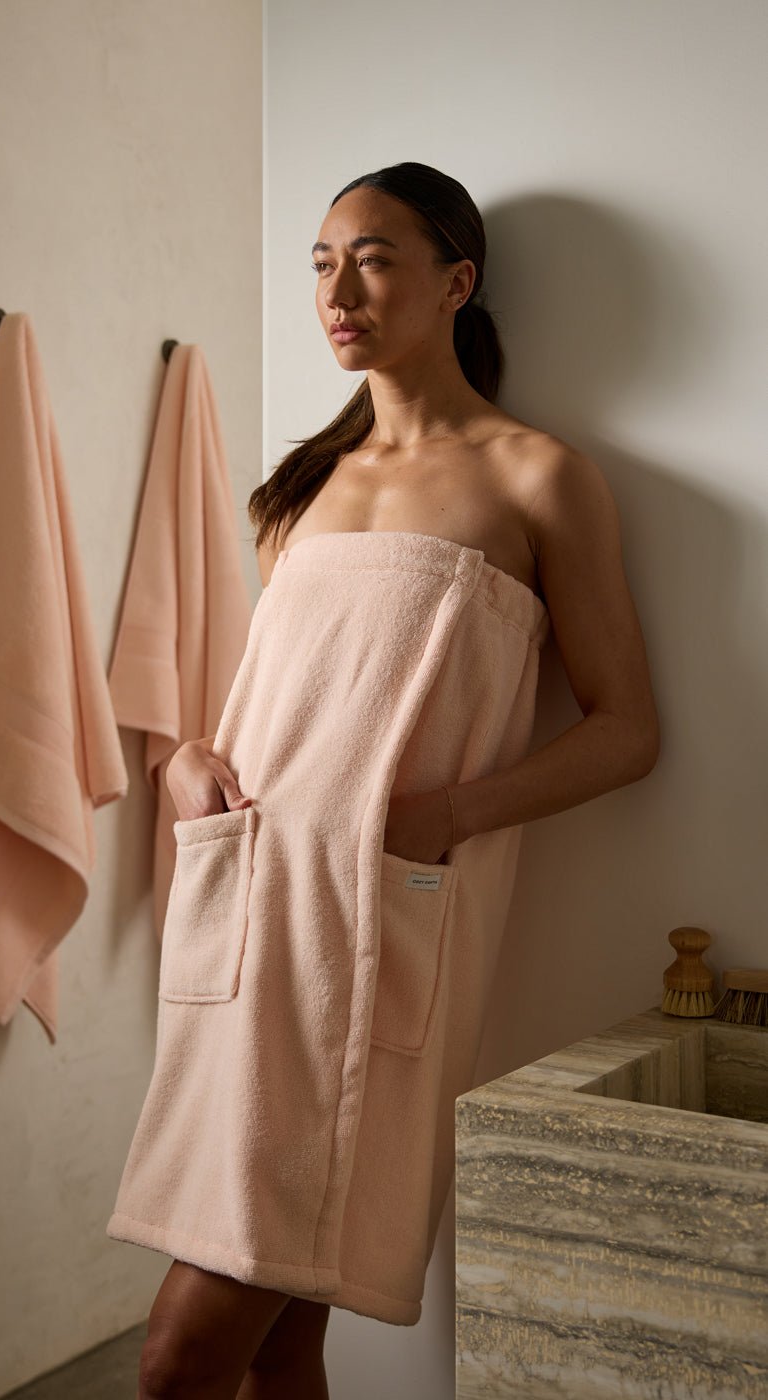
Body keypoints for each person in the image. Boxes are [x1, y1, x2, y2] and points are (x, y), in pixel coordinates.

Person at [132, 161, 660, 1399]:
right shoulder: (302, 492)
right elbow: (269, 702)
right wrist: (184, 764)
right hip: (241, 927)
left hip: (368, 940)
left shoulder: (538, 477)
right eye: (320, 262)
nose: (338, 288)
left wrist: (443, 816)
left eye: (371, 257)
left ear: (455, 281)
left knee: (178, 1358)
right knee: (280, 1345)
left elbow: (628, 728)